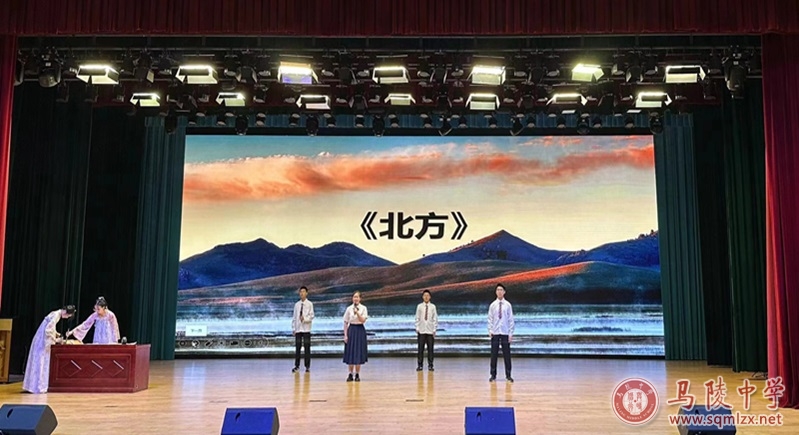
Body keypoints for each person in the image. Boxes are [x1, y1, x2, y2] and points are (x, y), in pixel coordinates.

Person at [22, 305, 76, 393]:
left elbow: (49, 327)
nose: (66, 318)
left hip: (40, 337)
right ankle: (38, 386)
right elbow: (48, 330)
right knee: (41, 360)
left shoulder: (55, 313)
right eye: (68, 316)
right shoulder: (56, 316)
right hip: (42, 340)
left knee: (38, 359)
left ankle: (33, 385)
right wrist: (56, 340)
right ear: (66, 313)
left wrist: (56, 333)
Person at [488, 283, 515, 383]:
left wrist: (510, 333)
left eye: (501, 290)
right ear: (496, 292)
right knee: (494, 354)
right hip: (495, 332)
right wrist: (490, 330)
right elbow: (490, 318)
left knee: (507, 354)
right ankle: (493, 375)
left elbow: (511, 319)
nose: (499, 292)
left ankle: (508, 375)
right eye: (497, 290)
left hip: (505, 332)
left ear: (504, 292)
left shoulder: (508, 305)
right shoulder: (493, 305)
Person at [343, 291, 368, 382]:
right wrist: (345, 335)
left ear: (360, 298)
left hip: (360, 330)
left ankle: (357, 374)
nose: (355, 299)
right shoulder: (349, 308)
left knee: (358, 352)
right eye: (354, 297)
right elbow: (345, 322)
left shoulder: (363, 308)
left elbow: (363, 320)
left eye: (357, 297)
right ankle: (350, 373)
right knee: (351, 352)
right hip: (351, 330)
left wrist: (357, 313)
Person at [291, 286, 315, 373]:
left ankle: (307, 366)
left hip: (306, 329)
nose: (302, 293)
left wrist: (304, 319)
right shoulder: (297, 305)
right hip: (298, 329)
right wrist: (294, 328)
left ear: (306, 293)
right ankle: (296, 366)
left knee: (307, 348)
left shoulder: (310, 304)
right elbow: (294, 317)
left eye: (303, 291)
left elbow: (312, 316)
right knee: (297, 348)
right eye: (300, 292)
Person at [415, 289, 438, 371]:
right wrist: (417, 328)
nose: (426, 297)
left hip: (430, 331)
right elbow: (417, 318)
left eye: (427, 295)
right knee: (420, 349)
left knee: (430, 349)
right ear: (422, 297)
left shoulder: (433, 307)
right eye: (425, 295)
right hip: (421, 330)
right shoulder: (419, 306)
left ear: (430, 297)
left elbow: (435, 319)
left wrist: (434, 330)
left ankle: (430, 365)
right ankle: (420, 365)